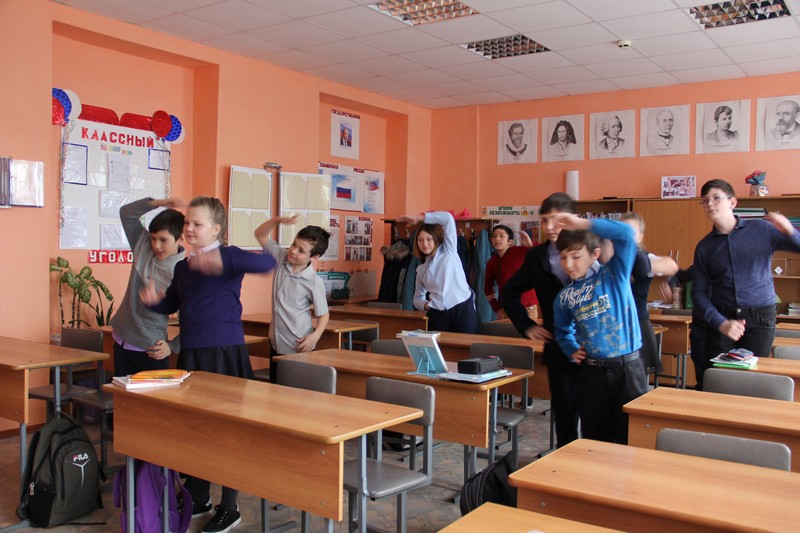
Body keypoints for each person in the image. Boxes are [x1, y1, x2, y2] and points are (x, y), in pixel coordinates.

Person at [140, 196, 277, 533]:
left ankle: (229, 507)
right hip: (192, 356)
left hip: (224, 354)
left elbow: (267, 263)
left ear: (216, 229)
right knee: (196, 429)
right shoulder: (183, 266)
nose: (188, 228)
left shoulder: (229, 256)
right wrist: (155, 301)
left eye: (196, 224)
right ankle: (199, 497)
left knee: (228, 433)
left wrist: (219, 261)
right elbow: (173, 303)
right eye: (187, 222)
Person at [691, 179, 800, 389]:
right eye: (705, 201)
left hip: (760, 318)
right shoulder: (705, 246)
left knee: (752, 380)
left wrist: (789, 229)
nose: (710, 204)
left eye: (716, 198)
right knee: (719, 379)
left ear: (732, 202)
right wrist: (720, 322)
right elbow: (699, 293)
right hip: (723, 318)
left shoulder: (761, 229)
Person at [551, 213, 647, 444]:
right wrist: (571, 348)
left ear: (594, 254)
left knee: (630, 436)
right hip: (592, 374)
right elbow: (562, 330)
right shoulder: (564, 297)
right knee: (594, 439)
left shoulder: (614, 275)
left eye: (576, 256)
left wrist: (582, 223)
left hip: (628, 369)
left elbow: (625, 234)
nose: (569, 264)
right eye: (563, 257)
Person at [502, 193, 580, 448]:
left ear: (572, 219)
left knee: (596, 413)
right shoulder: (537, 256)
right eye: (545, 220)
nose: (549, 226)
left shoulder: (591, 247)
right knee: (565, 413)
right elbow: (509, 292)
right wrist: (527, 325)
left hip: (594, 345)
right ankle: (566, 457)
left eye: (557, 219)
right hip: (557, 344)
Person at [110, 198, 185, 378]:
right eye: (153, 238)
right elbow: (126, 213)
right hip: (121, 339)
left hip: (151, 349)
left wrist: (173, 346)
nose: (156, 245)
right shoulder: (142, 245)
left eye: (163, 240)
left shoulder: (183, 271)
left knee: (155, 397)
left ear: (180, 238)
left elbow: (194, 319)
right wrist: (158, 202)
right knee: (123, 396)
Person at [254, 215, 330, 383]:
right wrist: (277, 221)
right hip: (276, 342)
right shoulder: (281, 257)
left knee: (294, 392)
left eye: (301, 250)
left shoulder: (313, 281)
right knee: (275, 389)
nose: (293, 251)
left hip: (298, 346)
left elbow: (324, 314)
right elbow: (260, 234)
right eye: (294, 244)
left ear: (314, 257)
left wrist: (315, 336)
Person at [618, 212, 678, 374]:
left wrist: (645, 267)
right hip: (614, 323)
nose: (626, 237)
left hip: (637, 321)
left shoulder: (644, 257)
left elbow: (671, 266)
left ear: (639, 238)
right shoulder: (607, 258)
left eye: (631, 233)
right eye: (622, 232)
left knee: (637, 374)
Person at [399, 211, 477, 333]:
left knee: (465, 343)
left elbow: (448, 218)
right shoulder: (421, 269)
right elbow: (417, 298)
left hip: (462, 307)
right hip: (438, 312)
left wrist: (420, 218)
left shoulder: (448, 250)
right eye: (420, 240)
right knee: (439, 344)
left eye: (428, 239)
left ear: (436, 239)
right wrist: (425, 304)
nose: (424, 244)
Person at [484, 224, 537, 320]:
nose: (497, 239)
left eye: (501, 236)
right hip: (506, 309)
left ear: (510, 242)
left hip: (528, 308)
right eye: (494, 236)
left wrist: (530, 246)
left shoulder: (520, 251)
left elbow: (542, 256)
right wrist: (497, 308)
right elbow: (488, 288)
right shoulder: (491, 262)